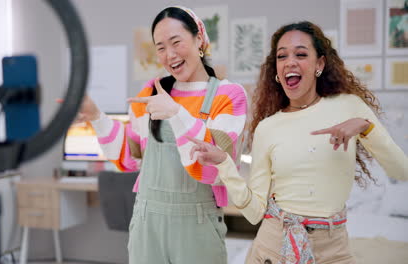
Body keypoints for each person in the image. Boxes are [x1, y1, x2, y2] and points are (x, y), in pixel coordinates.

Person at [188, 21, 408, 264]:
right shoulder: (267, 128)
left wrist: (367, 128)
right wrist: (224, 164)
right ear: (277, 71)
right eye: (282, 56)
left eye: (301, 54)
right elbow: (253, 213)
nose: (290, 61)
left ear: (319, 64)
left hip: (334, 250)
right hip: (273, 248)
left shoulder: (349, 107)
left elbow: (402, 171)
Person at [74, 6, 247, 264]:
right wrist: (96, 116)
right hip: (147, 224)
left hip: (196, 228)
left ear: (199, 39)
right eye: (161, 47)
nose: (170, 55)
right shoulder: (152, 91)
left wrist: (176, 113)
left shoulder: (229, 95)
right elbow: (130, 157)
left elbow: (213, 170)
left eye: (176, 42)